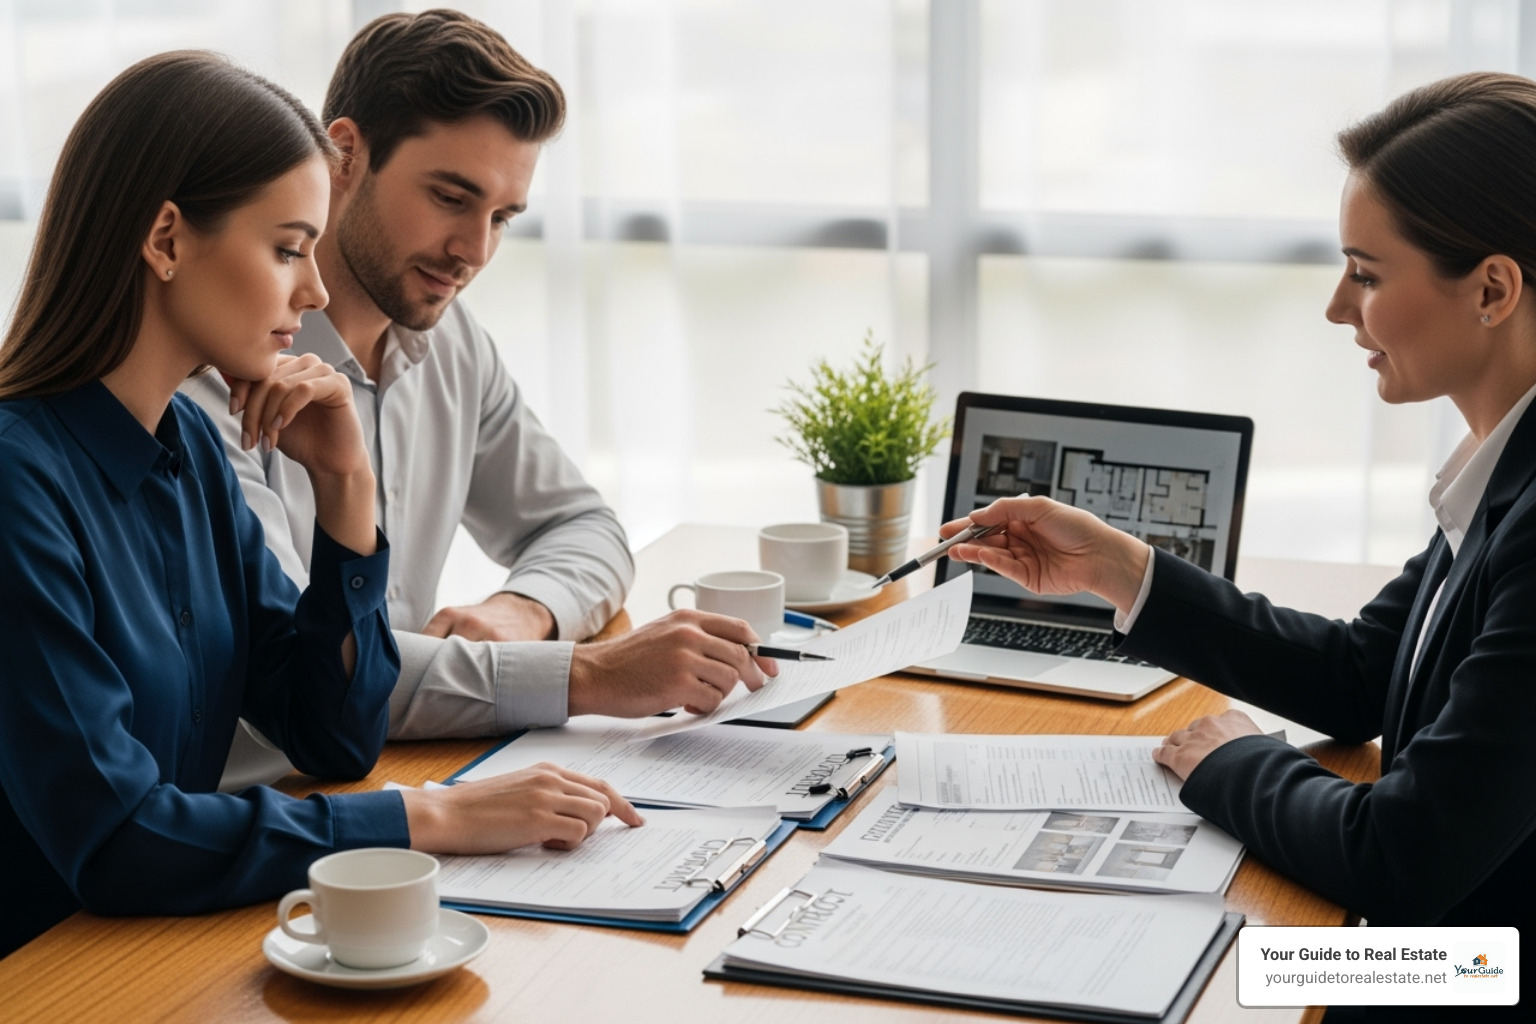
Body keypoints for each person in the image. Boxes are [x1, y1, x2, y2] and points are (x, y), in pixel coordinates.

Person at [0, 51, 637, 959]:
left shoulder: (188, 453)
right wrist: (433, 816)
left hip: (152, 947)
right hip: (48, 977)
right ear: (168, 239)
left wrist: (347, 487)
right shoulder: (19, 482)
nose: (315, 289)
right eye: (289, 248)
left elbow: (333, 732)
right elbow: (116, 838)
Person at [944, 72, 1536, 1021]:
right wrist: (1117, 568)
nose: (1340, 308)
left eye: (1369, 274)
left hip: (1476, 976)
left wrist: (1231, 761)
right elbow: (1360, 673)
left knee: (1208, 985)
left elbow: (1400, 856)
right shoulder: (1503, 467)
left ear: (1493, 289)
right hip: (1451, 949)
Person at [179, 8, 775, 791]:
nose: (476, 250)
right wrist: (586, 674)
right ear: (344, 155)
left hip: (404, 776)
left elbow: (582, 526)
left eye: (502, 217)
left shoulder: (449, 344)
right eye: (451, 197)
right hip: (266, 810)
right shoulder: (215, 379)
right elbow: (316, 667)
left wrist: (522, 611)